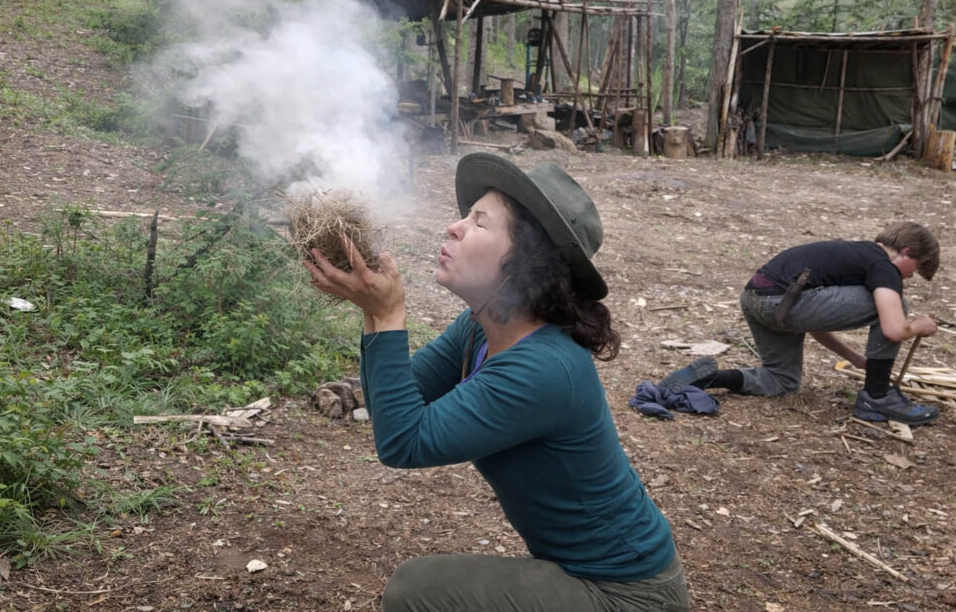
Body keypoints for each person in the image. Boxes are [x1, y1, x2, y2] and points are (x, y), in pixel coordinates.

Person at [305, 152, 689, 612]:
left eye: (480, 222)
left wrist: (388, 314)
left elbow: (403, 443)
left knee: (415, 591)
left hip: (628, 594)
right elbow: (401, 396)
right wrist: (371, 307)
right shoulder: (480, 328)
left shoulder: (545, 369)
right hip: (577, 571)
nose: (455, 227)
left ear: (527, 262)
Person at [660, 222, 941, 426]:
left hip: (756, 298)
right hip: (782, 301)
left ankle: (707, 379)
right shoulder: (883, 265)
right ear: (906, 251)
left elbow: (816, 321)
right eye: (915, 270)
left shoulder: (854, 254)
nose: (909, 278)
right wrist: (919, 326)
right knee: (896, 309)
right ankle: (878, 396)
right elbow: (893, 329)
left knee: (781, 380)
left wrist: (856, 359)